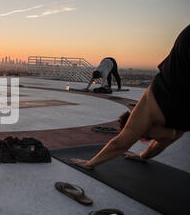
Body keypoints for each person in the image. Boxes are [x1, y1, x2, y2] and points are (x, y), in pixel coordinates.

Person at [70, 25, 190, 169]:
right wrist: (143, 156)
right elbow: (166, 140)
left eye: (145, 137)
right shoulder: (179, 126)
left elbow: (120, 144)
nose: (151, 139)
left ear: (143, 128)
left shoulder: (146, 110)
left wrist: (90, 163)